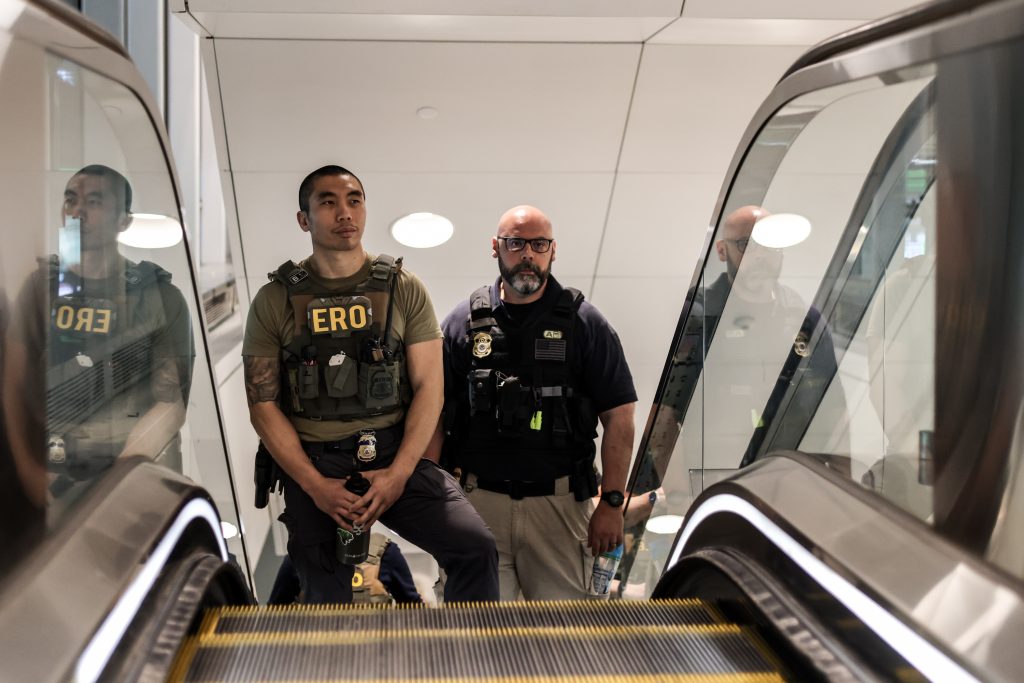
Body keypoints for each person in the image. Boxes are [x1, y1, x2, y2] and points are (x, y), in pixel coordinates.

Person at [243, 164, 498, 605]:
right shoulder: (274, 300)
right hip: (314, 463)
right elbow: (262, 405)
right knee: (324, 595)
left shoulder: (404, 288)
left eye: (354, 200)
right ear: (304, 219)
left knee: (474, 546)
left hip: (393, 455)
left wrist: (399, 474)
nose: (345, 212)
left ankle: (468, 647)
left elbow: (430, 389)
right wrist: (314, 486)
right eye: (328, 202)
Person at [430, 205, 637, 601]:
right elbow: (432, 416)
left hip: (561, 506)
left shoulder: (585, 323)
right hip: (478, 504)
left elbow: (620, 416)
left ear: (553, 250)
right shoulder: (462, 323)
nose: (527, 254)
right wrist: (434, 500)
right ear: (496, 247)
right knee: (476, 630)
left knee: (564, 631)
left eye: (539, 244)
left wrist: (612, 503)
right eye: (515, 243)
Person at [3, 164, 193, 504]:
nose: (77, 211)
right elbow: (12, 386)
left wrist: (112, 485)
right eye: (70, 200)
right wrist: (29, 472)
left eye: (94, 202)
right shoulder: (39, 288)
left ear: (124, 222)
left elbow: (170, 406)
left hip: (130, 480)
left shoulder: (159, 296)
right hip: (48, 476)